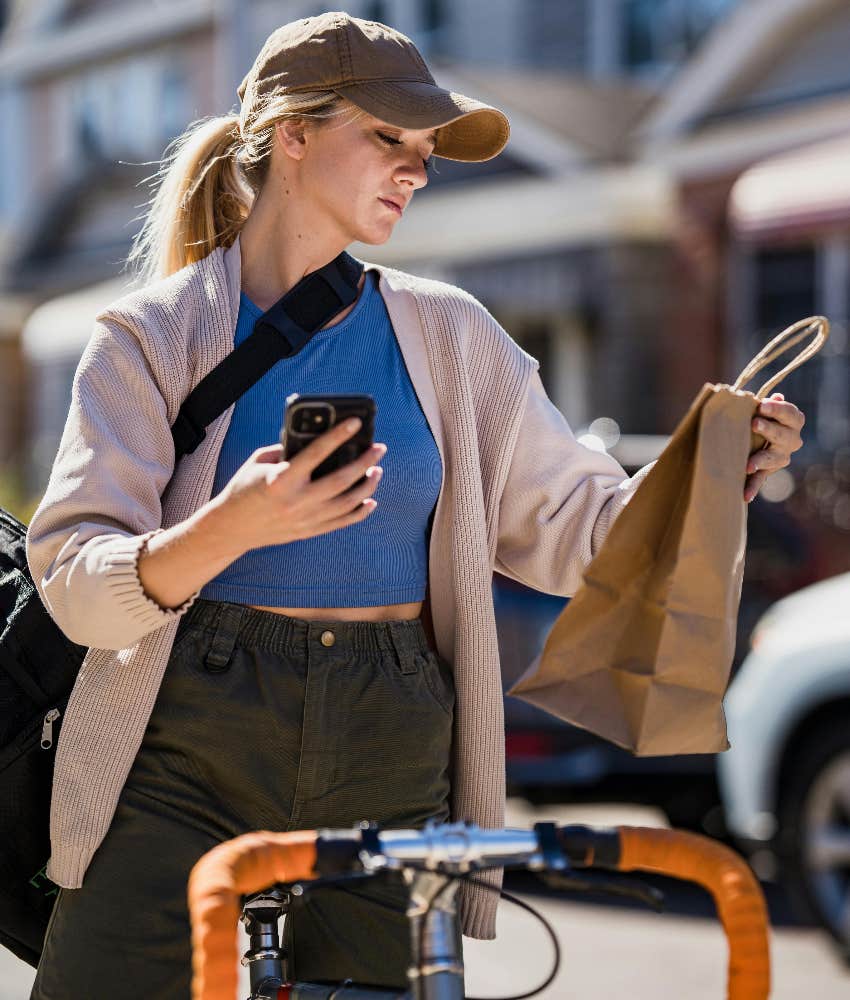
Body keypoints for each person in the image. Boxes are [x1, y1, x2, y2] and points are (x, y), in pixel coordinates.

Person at [25, 11, 805, 999]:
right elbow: (72, 586)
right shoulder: (149, 336)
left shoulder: (453, 335)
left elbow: (579, 535)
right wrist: (232, 527)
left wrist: (705, 475)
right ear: (292, 134)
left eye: (425, 151)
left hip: (393, 735)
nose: (416, 170)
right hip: (185, 742)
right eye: (388, 139)